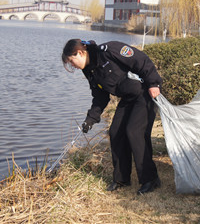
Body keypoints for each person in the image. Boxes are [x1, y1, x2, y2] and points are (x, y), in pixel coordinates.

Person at [61, 39, 162, 195]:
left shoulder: (109, 50)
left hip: (144, 94)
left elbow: (140, 59)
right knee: (115, 132)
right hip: (128, 98)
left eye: (71, 61)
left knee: (135, 132)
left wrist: (154, 83)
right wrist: (90, 119)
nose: (72, 66)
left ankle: (150, 179)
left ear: (80, 52)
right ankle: (121, 179)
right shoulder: (89, 70)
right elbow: (100, 97)